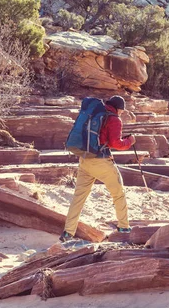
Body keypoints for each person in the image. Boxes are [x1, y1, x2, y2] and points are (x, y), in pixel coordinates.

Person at [60, 95, 136, 242]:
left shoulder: (94, 113)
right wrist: (130, 141)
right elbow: (116, 143)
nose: (121, 113)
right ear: (118, 108)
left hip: (85, 159)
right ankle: (124, 227)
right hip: (101, 162)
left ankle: (68, 233)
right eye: (121, 111)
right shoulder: (114, 119)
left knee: (78, 198)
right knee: (118, 193)